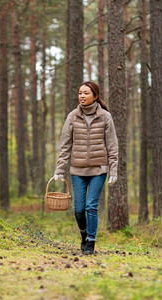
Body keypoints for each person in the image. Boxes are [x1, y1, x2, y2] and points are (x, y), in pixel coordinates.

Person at [54, 81, 118, 255]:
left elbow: (112, 145)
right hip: (78, 170)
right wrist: (60, 169)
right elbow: (65, 145)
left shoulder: (105, 117)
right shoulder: (72, 117)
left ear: (95, 96)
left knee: (91, 206)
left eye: (86, 93)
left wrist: (113, 170)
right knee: (79, 208)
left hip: (99, 169)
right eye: (80, 93)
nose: (82, 96)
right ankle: (83, 234)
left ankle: (91, 240)